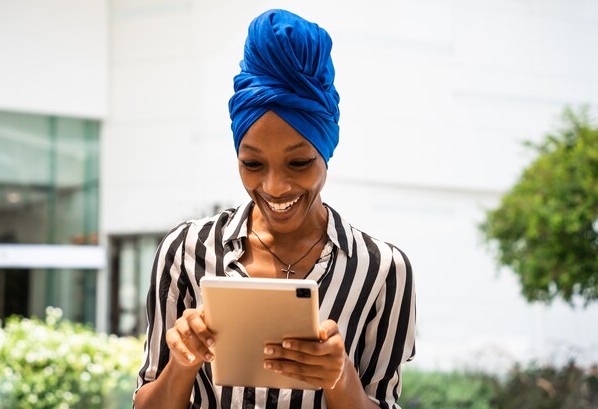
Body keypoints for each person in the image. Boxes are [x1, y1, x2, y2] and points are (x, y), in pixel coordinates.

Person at [133, 9, 416, 409]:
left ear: (326, 152)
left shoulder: (383, 270)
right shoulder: (186, 250)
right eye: (252, 164)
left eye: (299, 163)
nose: (274, 187)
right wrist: (182, 364)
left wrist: (340, 379)